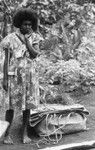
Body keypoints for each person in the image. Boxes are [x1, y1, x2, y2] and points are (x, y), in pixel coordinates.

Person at [0, 8, 43, 144]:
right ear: (19, 24)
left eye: (30, 25)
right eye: (25, 24)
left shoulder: (35, 37)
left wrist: (27, 41)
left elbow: (35, 54)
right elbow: (6, 61)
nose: (28, 27)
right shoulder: (10, 39)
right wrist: (5, 79)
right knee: (10, 107)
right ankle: (7, 134)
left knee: (27, 107)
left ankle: (24, 133)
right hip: (14, 78)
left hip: (30, 78)